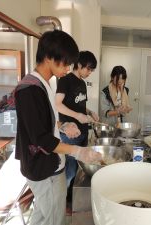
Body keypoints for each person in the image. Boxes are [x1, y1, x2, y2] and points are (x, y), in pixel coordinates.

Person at [15, 30, 102, 225]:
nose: (68, 68)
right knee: (55, 220)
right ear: (48, 57)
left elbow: (42, 124)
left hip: (50, 165)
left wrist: (63, 125)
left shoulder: (44, 84)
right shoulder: (29, 90)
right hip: (45, 170)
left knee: (41, 217)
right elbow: (41, 139)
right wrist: (77, 151)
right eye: (65, 63)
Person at [55, 50, 99, 207]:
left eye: (91, 70)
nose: (89, 72)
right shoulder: (65, 80)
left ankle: (71, 198)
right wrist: (77, 116)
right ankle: (62, 201)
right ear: (79, 65)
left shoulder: (82, 83)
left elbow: (80, 105)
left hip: (83, 131)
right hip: (70, 134)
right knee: (70, 170)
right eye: (88, 69)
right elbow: (58, 105)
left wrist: (89, 112)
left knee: (80, 168)